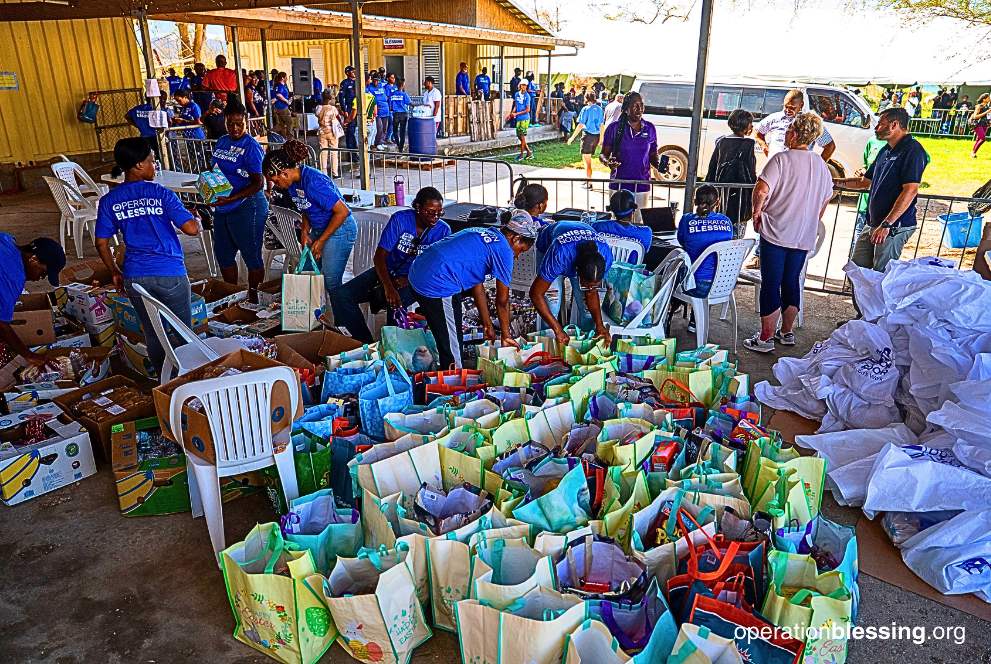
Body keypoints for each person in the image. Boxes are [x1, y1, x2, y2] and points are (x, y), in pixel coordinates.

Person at [94, 137, 199, 374]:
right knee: (183, 332)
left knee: (154, 333)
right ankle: (190, 380)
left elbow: (101, 242)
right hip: (170, 274)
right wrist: (198, 221)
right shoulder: (161, 193)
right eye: (152, 161)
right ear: (138, 165)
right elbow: (191, 229)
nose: (154, 166)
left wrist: (114, 272)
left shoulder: (109, 200)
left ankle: (164, 381)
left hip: (136, 277)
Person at [745, 113, 833, 353]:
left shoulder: (781, 160)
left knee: (771, 283)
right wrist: (811, 220)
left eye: (789, 130)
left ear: (794, 133)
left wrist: (757, 213)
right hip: (803, 235)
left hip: (776, 231)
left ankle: (765, 338)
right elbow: (825, 200)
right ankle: (786, 332)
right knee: (792, 281)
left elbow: (762, 190)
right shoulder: (821, 166)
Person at [409, 212, 539, 368]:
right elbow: (502, 301)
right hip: (437, 281)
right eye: (521, 250)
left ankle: (442, 363)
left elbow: (477, 284)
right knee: (453, 347)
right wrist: (506, 335)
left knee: (447, 332)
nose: (517, 256)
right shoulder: (504, 250)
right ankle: (453, 382)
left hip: (419, 269)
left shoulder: (483, 232)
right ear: (515, 238)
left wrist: (487, 324)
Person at [333, 187, 452, 342]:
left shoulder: (443, 231)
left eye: (439, 212)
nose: (435, 217)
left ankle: (394, 346)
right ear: (417, 208)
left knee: (396, 303)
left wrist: (408, 279)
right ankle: (363, 342)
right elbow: (380, 257)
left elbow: (437, 270)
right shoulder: (400, 219)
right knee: (341, 295)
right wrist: (388, 287)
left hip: (418, 279)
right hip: (388, 271)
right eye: (430, 212)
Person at [833, 107, 930, 274]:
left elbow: (910, 190)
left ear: (894, 125)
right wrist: (833, 182)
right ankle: (861, 299)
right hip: (873, 223)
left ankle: (878, 300)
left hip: (893, 227)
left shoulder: (913, 150)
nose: (876, 128)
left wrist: (887, 224)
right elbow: (864, 182)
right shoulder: (885, 150)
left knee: (880, 275)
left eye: (880, 124)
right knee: (857, 270)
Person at [264, 140, 357, 300]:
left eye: (276, 181)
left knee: (331, 281)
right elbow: (306, 206)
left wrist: (320, 242)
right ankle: (311, 316)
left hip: (341, 229)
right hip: (321, 229)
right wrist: (305, 231)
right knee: (306, 272)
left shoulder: (314, 181)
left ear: (284, 173)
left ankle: (343, 322)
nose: (276, 185)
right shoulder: (292, 183)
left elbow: (342, 212)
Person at [208, 98, 268, 301]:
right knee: (223, 254)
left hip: (247, 206)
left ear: (246, 122)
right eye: (230, 123)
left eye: (239, 124)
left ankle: (253, 297)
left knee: (251, 255)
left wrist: (232, 198)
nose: (234, 128)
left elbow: (258, 183)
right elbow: (214, 170)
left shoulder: (251, 147)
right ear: (225, 121)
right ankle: (231, 295)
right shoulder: (222, 141)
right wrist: (209, 188)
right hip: (223, 206)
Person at [531, 219, 614, 341]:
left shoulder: (605, 257)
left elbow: (591, 293)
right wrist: (558, 329)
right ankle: (548, 344)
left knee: (586, 310)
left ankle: (587, 341)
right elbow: (536, 293)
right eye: (587, 285)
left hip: (579, 237)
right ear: (576, 272)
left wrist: (600, 326)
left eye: (594, 285)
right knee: (552, 303)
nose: (590, 288)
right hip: (549, 244)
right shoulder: (559, 255)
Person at [0, 236, 65, 366]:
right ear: (33, 259)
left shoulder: (7, 240)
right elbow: (1, 323)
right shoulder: (14, 276)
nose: (41, 278)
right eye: (43, 272)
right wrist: (29, 355)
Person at [600, 91, 663, 223]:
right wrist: (608, 162)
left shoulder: (650, 128)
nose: (639, 109)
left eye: (641, 105)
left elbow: (652, 154)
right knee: (618, 223)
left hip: (641, 185)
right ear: (626, 109)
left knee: (638, 222)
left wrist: (660, 165)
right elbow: (603, 155)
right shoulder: (614, 128)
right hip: (618, 185)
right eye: (635, 106)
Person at [705, 108, 757, 237]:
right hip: (741, 196)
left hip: (722, 195)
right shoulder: (749, 144)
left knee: (720, 232)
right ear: (746, 126)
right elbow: (750, 171)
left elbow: (712, 168)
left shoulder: (721, 141)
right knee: (737, 233)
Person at [755, 89, 835, 162]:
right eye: (786, 106)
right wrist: (764, 147)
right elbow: (758, 132)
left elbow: (830, 146)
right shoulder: (774, 118)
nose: (788, 110)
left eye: (792, 108)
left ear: (801, 105)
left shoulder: (809, 122)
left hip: (798, 167)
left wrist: (818, 165)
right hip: (775, 165)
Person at [595, 189, 653, 261]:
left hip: (603, 270)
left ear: (612, 209)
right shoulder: (646, 233)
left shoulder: (597, 226)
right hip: (631, 272)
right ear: (633, 210)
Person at [568, 93, 605, 189]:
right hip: (596, 137)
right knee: (587, 160)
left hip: (588, 137)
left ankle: (589, 183)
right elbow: (601, 125)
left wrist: (572, 138)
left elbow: (580, 125)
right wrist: (601, 139)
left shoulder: (585, 109)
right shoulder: (600, 109)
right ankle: (587, 179)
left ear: (586, 99)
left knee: (587, 162)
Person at [316, 90, 342, 177]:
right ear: (331, 99)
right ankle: (335, 173)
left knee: (323, 152)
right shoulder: (333, 109)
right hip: (332, 132)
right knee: (334, 152)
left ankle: (324, 173)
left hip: (322, 131)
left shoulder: (318, 108)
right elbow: (337, 115)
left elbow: (317, 114)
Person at [509, 80, 533, 161]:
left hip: (525, 119)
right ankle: (529, 153)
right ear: (520, 85)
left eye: (525, 85)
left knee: (522, 137)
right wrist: (512, 113)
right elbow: (516, 105)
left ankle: (521, 155)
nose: (523, 87)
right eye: (522, 85)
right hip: (518, 118)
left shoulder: (527, 96)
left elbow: (528, 109)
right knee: (520, 137)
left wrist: (517, 114)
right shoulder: (516, 94)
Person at [367, 72, 392, 149]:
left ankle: (381, 141)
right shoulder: (369, 87)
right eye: (374, 80)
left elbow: (387, 96)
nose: (376, 82)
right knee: (379, 128)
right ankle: (376, 143)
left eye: (377, 80)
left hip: (385, 110)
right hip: (377, 111)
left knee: (384, 128)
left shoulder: (382, 86)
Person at [338, 65, 358, 154]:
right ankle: (351, 151)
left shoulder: (358, 82)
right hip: (350, 108)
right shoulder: (345, 83)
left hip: (358, 107)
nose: (354, 73)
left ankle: (357, 149)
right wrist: (344, 110)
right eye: (352, 71)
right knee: (350, 130)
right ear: (347, 73)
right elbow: (341, 97)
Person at [389, 78, 412, 152]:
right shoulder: (404, 94)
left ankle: (398, 144)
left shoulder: (392, 94)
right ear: (402, 85)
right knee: (402, 132)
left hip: (396, 114)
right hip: (403, 114)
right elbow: (409, 103)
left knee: (395, 130)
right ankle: (400, 149)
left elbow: (390, 105)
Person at [272, 72, 293, 137]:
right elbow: (278, 95)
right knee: (289, 122)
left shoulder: (278, 85)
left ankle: (283, 137)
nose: (287, 78)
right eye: (286, 77)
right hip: (282, 107)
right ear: (282, 78)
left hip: (278, 107)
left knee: (282, 124)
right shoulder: (280, 86)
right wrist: (286, 101)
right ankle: (290, 137)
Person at [970, 93, 991, 157]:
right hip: (977, 124)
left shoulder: (987, 106)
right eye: (988, 98)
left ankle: (973, 153)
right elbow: (975, 117)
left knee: (979, 139)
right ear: (984, 99)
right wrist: (986, 112)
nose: (989, 99)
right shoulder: (979, 106)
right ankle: (973, 153)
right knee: (983, 138)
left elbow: (986, 116)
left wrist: (989, 122)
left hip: (985, 124)